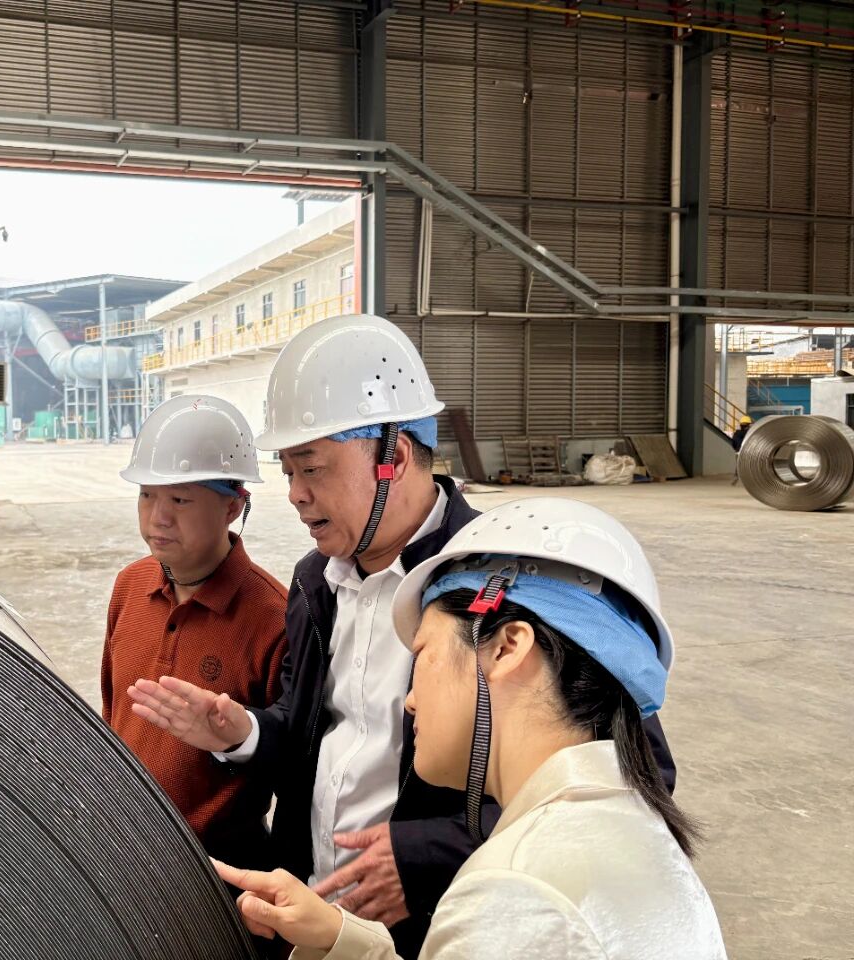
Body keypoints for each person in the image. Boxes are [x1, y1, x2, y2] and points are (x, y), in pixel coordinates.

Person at [130, 315, 677, 952]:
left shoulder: (510, 581)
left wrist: (426, 855)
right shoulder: (315, 583)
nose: (296, 495)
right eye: (287, 472)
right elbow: (315, 738)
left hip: (433, 925)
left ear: (394, 456)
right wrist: (243, 733)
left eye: (313, 469)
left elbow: (630, 776)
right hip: (312, 910)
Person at [214, 497, 727, 959]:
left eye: (423, 655)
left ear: (507, 648)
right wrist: (340, 938)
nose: (410, 700)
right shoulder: (625, 830)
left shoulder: (514, 889)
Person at [103, 395, 288, 868]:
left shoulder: (274, 616)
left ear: (233, 507)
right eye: (147, 495)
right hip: (122, 849)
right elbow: (112, 712)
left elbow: (292, 762)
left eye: (180, 499)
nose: (157, 518)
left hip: (216, 868)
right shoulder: (130, 585)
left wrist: (235, 739)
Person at [730, 416, 752, 486]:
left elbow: (733, 443)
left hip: (738, 452)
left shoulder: (736, 433)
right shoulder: (750, 433)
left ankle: (736, 476)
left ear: (740, 425)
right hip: (747, 452)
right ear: (748, 425)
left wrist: (736, 449)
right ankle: (749, 480)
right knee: (749, 465)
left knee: (738, 465)